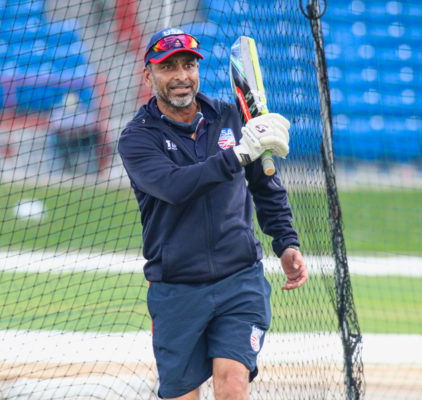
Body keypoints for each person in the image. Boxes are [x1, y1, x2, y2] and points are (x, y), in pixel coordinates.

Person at [118, 27, 308, 400]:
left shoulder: (229, 117)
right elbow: (175, 186)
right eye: (168, 67)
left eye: (188, 65)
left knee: (233, 382)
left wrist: (286, 243)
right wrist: (238, 154)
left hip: (239, 279)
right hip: (177, 288)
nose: (181, 76)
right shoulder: (137, 137)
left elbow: (265, 186)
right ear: (148, 75)